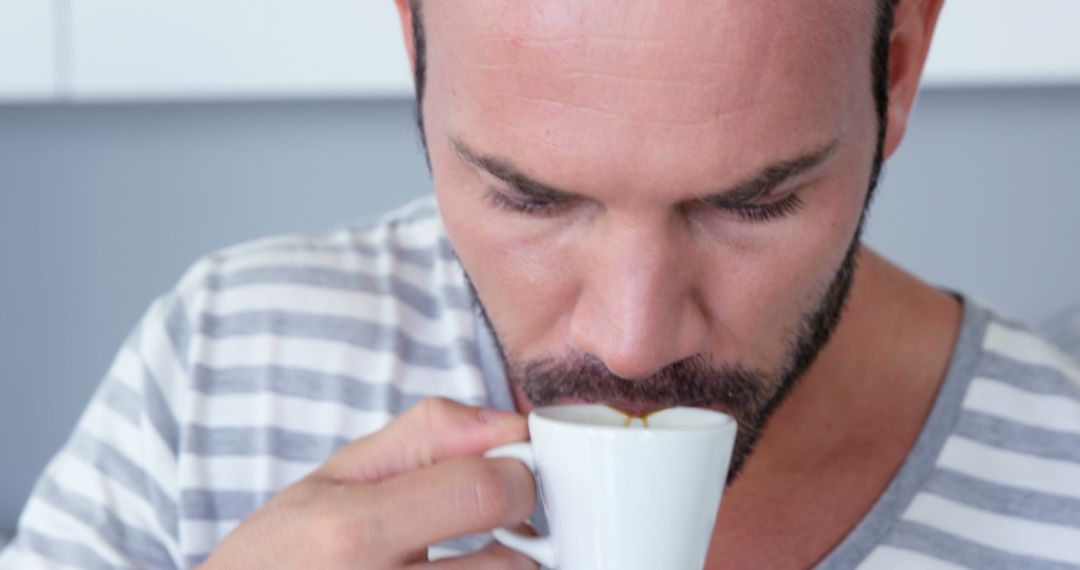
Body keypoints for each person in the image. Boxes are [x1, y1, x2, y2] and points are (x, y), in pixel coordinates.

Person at [3, 0, 1079, 567]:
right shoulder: (216, 368)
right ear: (412, 44)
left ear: (898, 68)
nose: (631, 341)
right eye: (529, 197)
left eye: (750, 204)